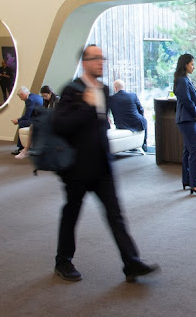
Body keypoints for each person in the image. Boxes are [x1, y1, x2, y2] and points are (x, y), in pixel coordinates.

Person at [51, 44, 159, 282]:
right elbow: (60, 126)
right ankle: (63, 261)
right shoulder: (72, 90)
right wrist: (86, 106)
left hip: (101, 166)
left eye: (103, 58)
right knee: (71, 214)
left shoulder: (105, 89)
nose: (101, 62)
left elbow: (100, 129)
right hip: (77, 168)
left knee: (115, 215)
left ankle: (131, 262)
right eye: (96, 58)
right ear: (85, 62)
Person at [173, 53, 196, 196]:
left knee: (188, 150)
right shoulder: (181, 80)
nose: (193, 66)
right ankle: (195, 184)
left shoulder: (185, 80)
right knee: (195, 150)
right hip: (186, 119)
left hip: (189, 119)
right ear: (185, 64)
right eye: (192, 64)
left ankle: (187, 180)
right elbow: (187, 102)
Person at [109, 79, 149, 152]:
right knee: (144, 121)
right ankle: (144, 144)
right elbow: (141, 109)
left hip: (121, 124)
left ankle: (133, 147)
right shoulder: (132, 95)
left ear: (115, 88)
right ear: (124, 87)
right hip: (136, 122)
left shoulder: (111, 99)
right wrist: (141, 116)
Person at [11, 86, 43, 156]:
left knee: (22, 123)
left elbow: (27, 116)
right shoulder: (36, 96)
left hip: (37, 121)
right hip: (41, 119)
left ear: (23, 94)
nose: (21, 99)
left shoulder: (29, 100)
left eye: (20, 97)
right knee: (23, 122)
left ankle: (21, 148)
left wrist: (18, 120)